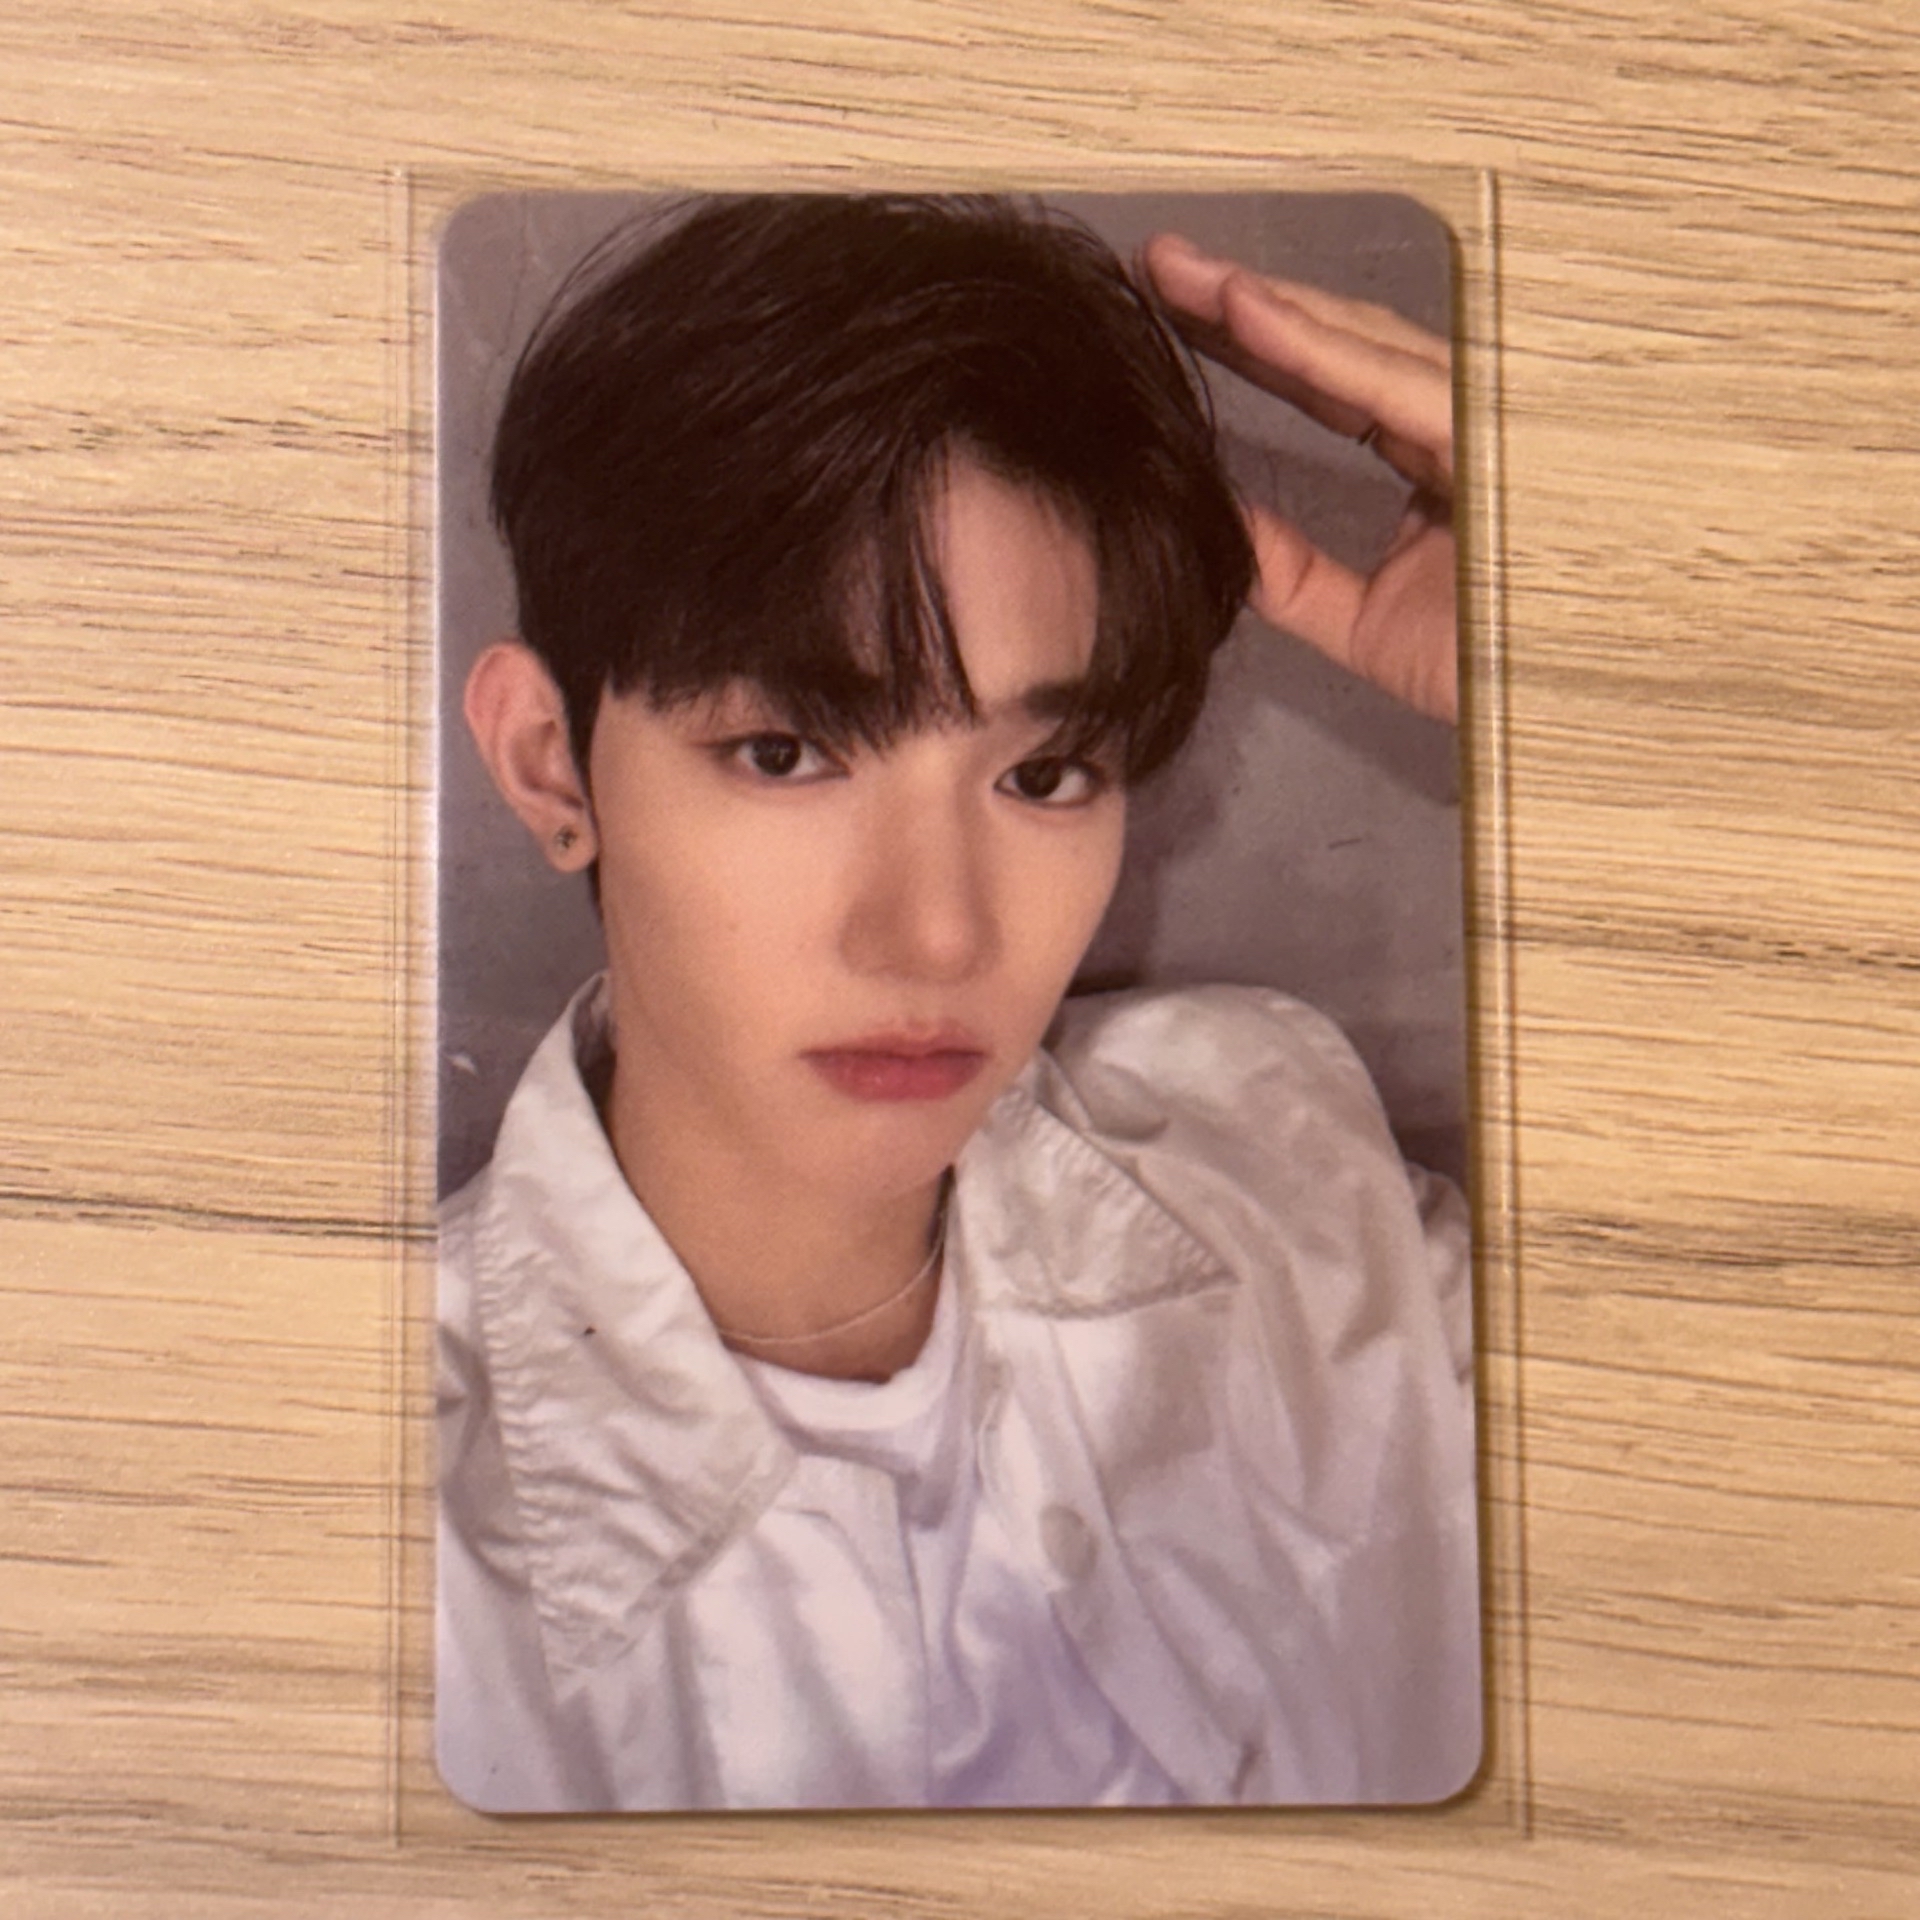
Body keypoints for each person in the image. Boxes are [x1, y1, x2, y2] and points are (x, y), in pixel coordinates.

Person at [436, 194, 1476, 1813]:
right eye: (785, 752)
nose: (935, 937)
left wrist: (1612, 695)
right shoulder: (358, 1522)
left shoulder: (1297, 1183)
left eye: (1043, 773)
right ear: (549, 764)